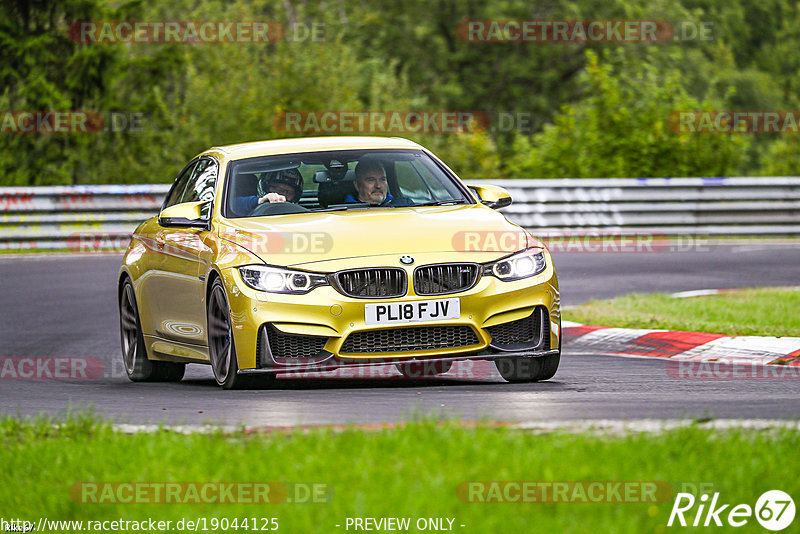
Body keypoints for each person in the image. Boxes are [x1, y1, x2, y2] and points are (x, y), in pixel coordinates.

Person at [232, 168, 303, 214]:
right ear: (264, 186)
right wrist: (259, 201)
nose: (281, 195)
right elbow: (231, 205)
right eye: (277, 189)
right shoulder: (249, 205)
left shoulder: (301, 215)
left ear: (295, 196)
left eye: (288, 192)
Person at [345, 159, 411, 206]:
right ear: (357, 185)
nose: (378, 185)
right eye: (371, 180)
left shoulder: (405, 205)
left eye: (382, 179)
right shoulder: (343, 210)